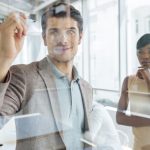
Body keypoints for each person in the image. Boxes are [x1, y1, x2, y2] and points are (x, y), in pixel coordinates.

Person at [0, 1, 93, 150]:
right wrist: (4, 58)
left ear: (80, 37)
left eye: (70, 31)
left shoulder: (86, 89)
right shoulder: (24, 76)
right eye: (54, 31)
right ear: (44, 38)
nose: (63, 39)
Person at [116, 33, 150, 150]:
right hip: (138, 147)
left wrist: (148, 79)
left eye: (149, 51)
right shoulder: (128, 81)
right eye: (141, 52)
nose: (145, 56)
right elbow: (120, 118)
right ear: (137, 55)